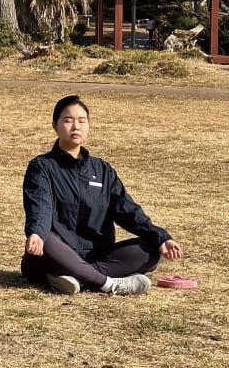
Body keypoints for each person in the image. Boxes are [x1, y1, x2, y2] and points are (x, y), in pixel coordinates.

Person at [22, 94, 182, 296]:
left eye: (82, 121)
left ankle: (75, 277)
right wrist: (36, 232)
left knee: (150, 251)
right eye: (68, 120)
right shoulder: (42, 167)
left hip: (97, 254)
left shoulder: (102, 169)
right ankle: (110, 284)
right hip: (56, 252)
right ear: (55, 125)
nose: (76, 127)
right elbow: (40, 206)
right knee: (47, 240)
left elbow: (127, 210)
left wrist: (160, 237)